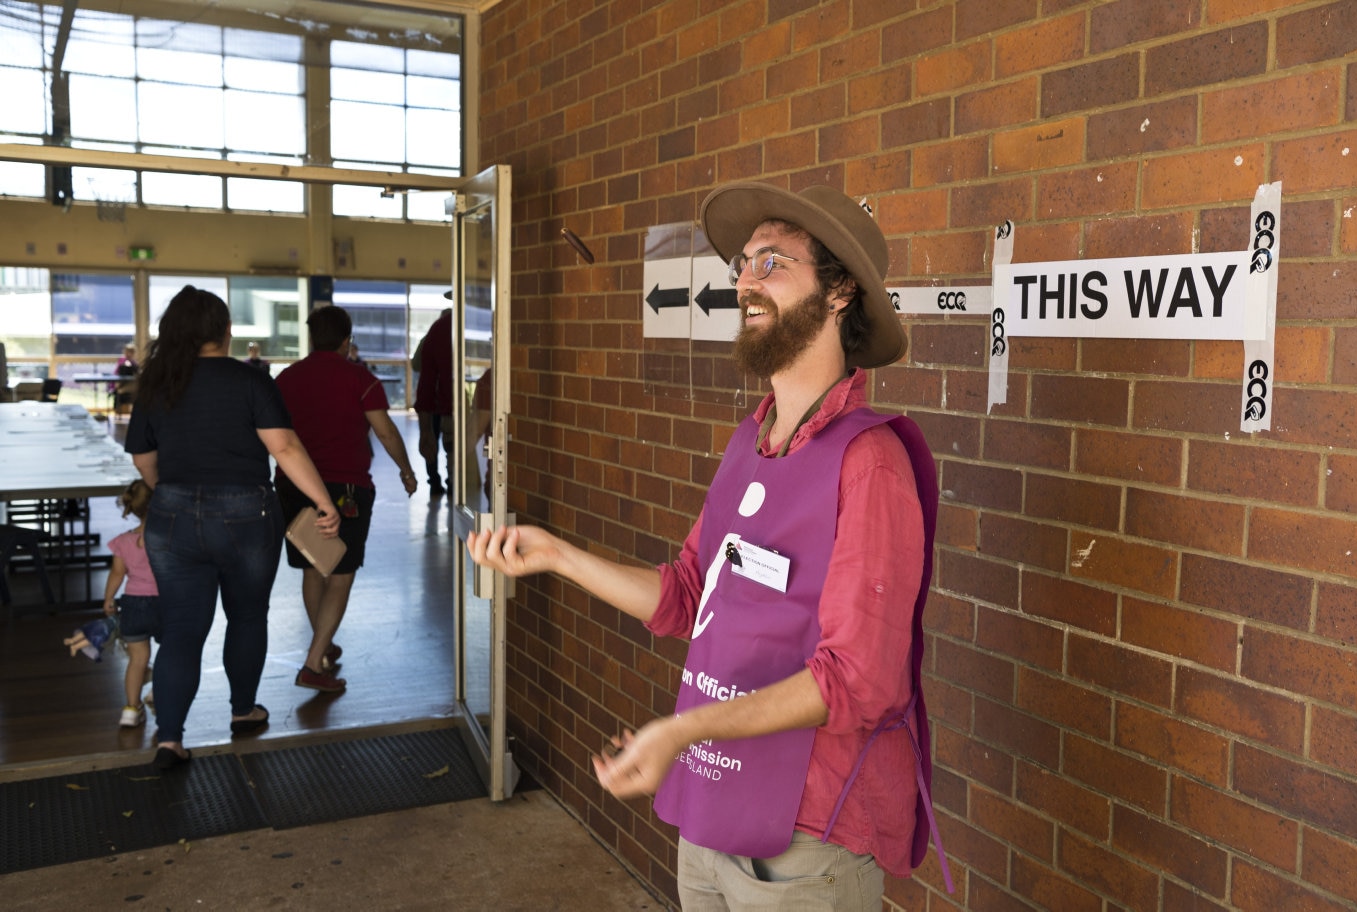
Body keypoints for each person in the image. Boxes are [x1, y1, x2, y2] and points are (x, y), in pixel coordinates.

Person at [467, 182, 945, 909]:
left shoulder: (870, 463)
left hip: (806, 838)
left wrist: (681, 730)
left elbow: (858, 679)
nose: (745, 282)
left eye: (773, 263)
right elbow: (689, 597)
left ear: (840, 292)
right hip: (714, 803)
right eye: (743, 265)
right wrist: (558, 556)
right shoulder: (748, 442)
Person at [125, 285, 339, 771]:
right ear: (226, 331)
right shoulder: (250, 380)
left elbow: (143, 456)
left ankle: (170, 740)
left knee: (180, 631)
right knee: (246, 616)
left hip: (174, 518)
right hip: (246, 514)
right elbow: (283, 447)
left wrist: (171, 493)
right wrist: (322, 500)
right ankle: (243, 710)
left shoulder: (159, 383)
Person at [274, 305, 418, 693]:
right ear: (346, 339)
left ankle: (323, 643)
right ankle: (312, 665)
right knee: (340, 574)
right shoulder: (361, 379)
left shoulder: (286, 378)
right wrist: (406, 470)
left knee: (312, 569)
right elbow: (386, 432)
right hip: (346, 490)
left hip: (292, 486)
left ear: (311, 338)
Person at [100, 479, 159, 728]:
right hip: (165, 603)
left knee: (137, 660)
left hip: (133, 604)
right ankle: (159, 694)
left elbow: (117, 574)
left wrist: (109, 598)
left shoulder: (123, 542)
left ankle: (130, 709)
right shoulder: (169, 538)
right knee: (169, 653)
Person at [413, 298, 454, 500]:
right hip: (450, 409)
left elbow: (422, 373)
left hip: (442, 409)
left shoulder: (436, 331)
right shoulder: (483, 324)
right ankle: (441, 481)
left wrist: (424, 429)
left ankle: (436, 481)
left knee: (435, 444)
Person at [113, 342, 139, 416]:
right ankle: (117, 411)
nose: (129, 354)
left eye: (131, 352)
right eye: (127, 352)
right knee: (116, 392)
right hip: (123, 386)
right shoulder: (122, 362)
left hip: (131, 387)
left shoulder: (134, 364)